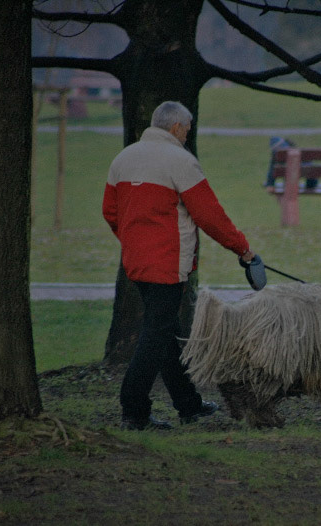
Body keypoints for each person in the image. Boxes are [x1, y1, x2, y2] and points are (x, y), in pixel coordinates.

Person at [103, 101, 256, 431]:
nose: (189, 132)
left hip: (137, 262)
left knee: (167, 332)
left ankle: (189, 405)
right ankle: (134, 410)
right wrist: (243, 249)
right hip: (168, 263)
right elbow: (209, 215)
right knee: (156, 334)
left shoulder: (123, 158)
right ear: (174, 128)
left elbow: (110, 212)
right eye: (188, 127)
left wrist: (134, 242)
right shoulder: (181, 162)